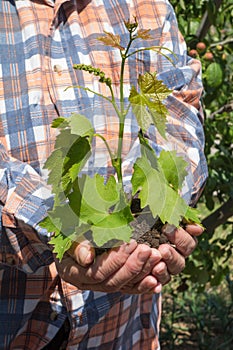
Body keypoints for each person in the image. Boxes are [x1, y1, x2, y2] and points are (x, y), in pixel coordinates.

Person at [0, 0, 208, 349]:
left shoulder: (147, 7)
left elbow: (181, 113)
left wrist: (165, 209)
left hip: (121, 333)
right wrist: (67, 225)